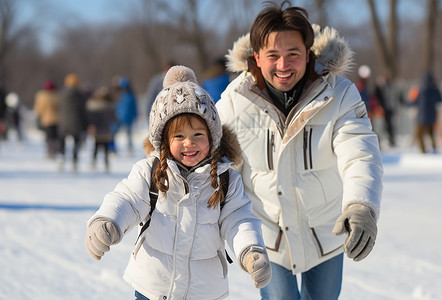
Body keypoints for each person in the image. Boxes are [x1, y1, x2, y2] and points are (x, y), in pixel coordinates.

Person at [216, 1, 383, 299]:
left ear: (308, 54)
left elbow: (359, 153)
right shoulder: (234, 101)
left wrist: (361, 205)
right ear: (257, 56)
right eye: (273, 55)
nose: (283, 65)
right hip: (269, 235)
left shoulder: (339, 94)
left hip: (325, 233)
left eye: (293, 54)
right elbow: (214, 162)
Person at [85, 65, 272, 300]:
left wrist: (250, 250)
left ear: (212, 137)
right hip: (153, 287)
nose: (189, 143)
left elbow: (238, 219)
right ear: (164, 139)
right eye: (179, 136)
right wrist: (107, 221)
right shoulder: (150, 172)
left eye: (198, 135)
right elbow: (128, 200)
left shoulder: (226, 179)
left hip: (203, 291)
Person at [58, 73, 88, 171]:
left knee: (62, 141)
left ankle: (61, 157)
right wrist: (85, 124)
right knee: (76, 141)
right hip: (76, 122)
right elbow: (83, 110)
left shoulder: (62, 94)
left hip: (64, 121)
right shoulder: (80, 95)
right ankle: (75, 159)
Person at [86, 86, 116, 171]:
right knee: (105, 148)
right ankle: (106, 163)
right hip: (106, 130)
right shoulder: (110, 107)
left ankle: (93, 162)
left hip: (97, 131)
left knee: (96, 147)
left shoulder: (94, 106)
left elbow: (91, 119)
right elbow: (114, 118)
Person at [413, 71, 442, 153]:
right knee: (431, 133)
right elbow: (441, 99)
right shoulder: (434, 90)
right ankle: (434, 149)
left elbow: (415, 102)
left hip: (421, 117)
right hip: (431, 117)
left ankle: (423, 151)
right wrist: (437, 88)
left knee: (419, 134)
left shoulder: (421, 90)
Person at [34, 80, 60, 158]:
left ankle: (50, 151)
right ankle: (55, 150)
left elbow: (39, 108)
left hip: (46, 120)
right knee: (55, 136)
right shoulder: (57, 95)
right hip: (57, 119)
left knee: (49, 136)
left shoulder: (42, 96)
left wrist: (38, 115)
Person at [112, 77, 138, 153]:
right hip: (118, 117)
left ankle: (129, 148)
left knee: (128, 134)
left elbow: (134, 107)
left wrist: (135, 116)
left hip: (127, 117)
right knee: (113, 134)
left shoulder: (130, 95)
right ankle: (112, 148)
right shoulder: (117, 95)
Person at [374, 74, 397, 147]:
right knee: (379, 127)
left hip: (388, 110)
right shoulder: (378, 88)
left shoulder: (389, 87)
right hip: (380, 110)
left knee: (389, 125)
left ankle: (391, 140)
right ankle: (379, 141)